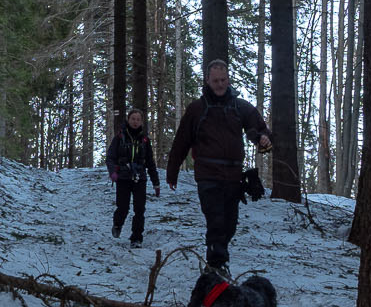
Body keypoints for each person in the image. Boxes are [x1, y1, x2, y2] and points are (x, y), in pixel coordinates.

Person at [165, 58, 271, 269]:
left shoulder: (240, 107)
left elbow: (259, 129)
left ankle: (215, 260)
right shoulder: (197, 109)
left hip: (233, 176)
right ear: (207, 80)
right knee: (215, 220)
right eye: (215, 81)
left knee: (230, 224)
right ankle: (217, 265)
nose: (220, 84)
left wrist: (264, 138)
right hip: (207, 174)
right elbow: (181, 142)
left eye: (223, 80)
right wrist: (172, 172)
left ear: (228, 79)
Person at [104, 108, 159, 245]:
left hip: (139, 177)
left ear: (142, 122)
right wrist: (113, 172)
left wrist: (156, 183)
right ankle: (117, 224)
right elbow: (110, 157)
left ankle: (136, 237)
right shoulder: (119, 137)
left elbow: (150, 163)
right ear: (128, 120)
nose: (135, 122)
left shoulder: (145, 140)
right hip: (123, 177)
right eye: (133, 119)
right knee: (123, 207)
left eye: (138, 119)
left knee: (140, 209)